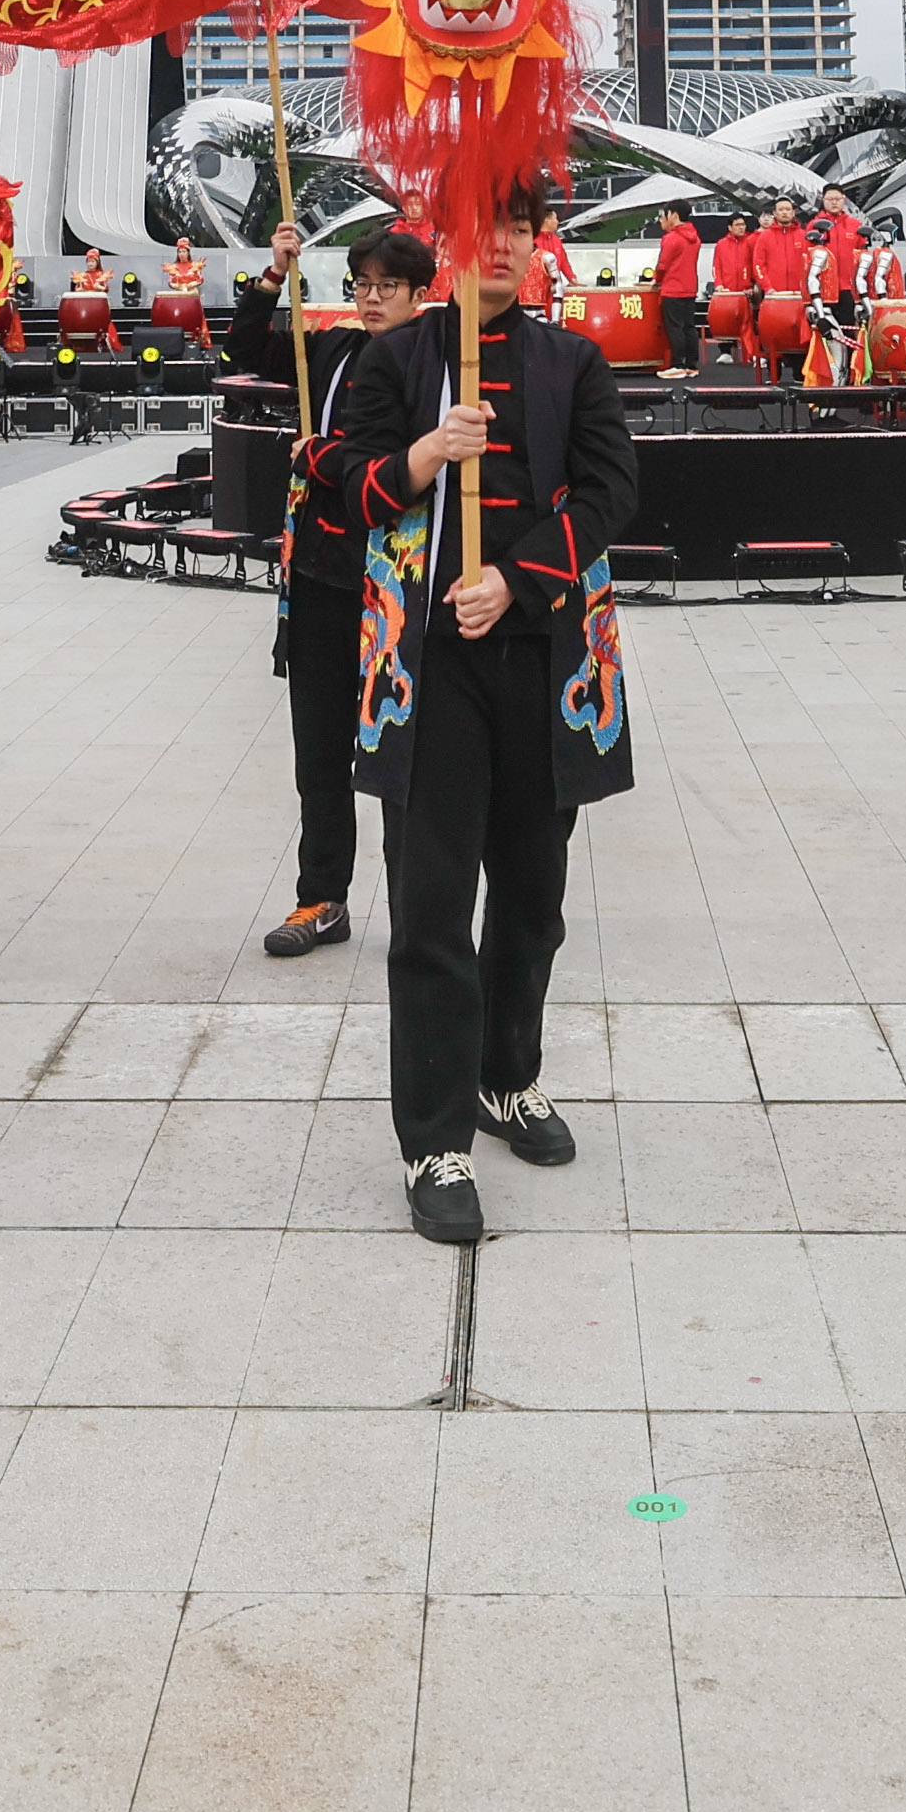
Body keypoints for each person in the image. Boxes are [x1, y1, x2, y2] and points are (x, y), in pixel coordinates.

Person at [329, 210, 641, 1246]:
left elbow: (608, 494)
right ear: (445, 242)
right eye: (479, 226)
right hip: (428, 671)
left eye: (519, 227)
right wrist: (427, 450)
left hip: (546, 658)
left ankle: (506, 1080)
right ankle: (434, 1137)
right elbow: (354, 488)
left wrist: (515, 578)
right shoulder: (396, 359)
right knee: (429, 901)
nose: (499, 246)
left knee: (532, 896)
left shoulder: (575, 361)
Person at [257, 232, 426, 956]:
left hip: (398, 587)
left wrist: (322, 456)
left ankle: (421, 907)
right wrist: (275, 274)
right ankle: (322, 897)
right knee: (319, 755)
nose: (371, 297)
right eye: (361, 284)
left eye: (388, 286)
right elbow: (247, 352)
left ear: (422, 291)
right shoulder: (331, 350)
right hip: (323, 580)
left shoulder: (441, 365)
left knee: (403, 756)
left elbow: (392, 464)